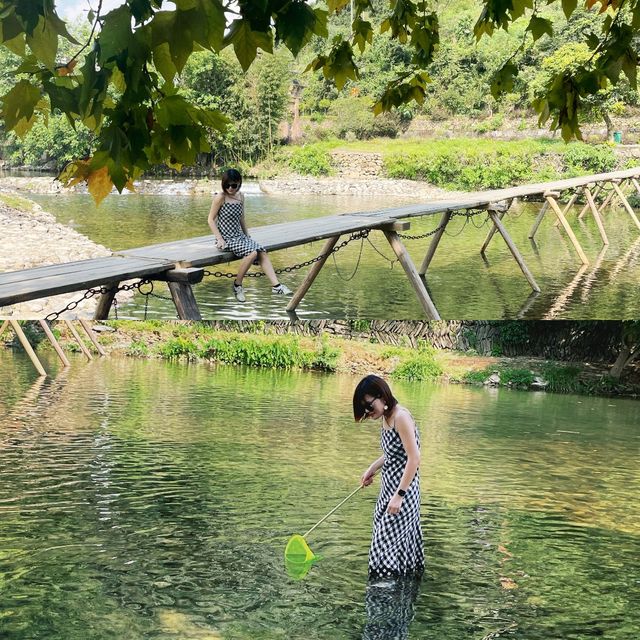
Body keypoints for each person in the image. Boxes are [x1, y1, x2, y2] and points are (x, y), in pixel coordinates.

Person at [353, 375, 424, 579]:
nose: (367, 412)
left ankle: (383, 592)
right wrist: (371, 468)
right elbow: (393, 453)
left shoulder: (401, 416)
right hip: (388, 491)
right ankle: (398, 589)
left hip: (404, 494)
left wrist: (399, 495)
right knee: (383, 538)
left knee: (384, 544)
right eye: (364, 408)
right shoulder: (387, 417)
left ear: (381, 396)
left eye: (368, 405)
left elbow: (414, 458)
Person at [207, 169, 292, 302]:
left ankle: (276, 286)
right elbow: (210, 220)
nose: (230, 188)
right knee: (252, 253)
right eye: (227, 185)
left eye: (233, 185)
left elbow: (242, 218)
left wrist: (247, 236)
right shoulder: (220, 198)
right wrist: (219, 238)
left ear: (239, 183)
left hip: (240, 237)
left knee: (261, 251)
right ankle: (237, 285)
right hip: (226, 239)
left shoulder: (241, 197)